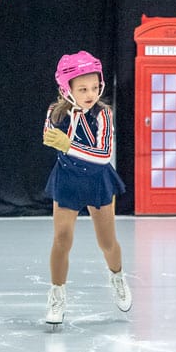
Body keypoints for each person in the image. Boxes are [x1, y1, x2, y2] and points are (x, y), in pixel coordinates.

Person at [42, 51, 132, 326]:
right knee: (62, 238)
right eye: (82, 88)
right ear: (66, 89)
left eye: (94, 87)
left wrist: (68, 145)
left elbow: (103, 155)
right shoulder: (54, 114)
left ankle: (117, 276)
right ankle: (57, 293)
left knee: (107, 242)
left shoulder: (104, 114)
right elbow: (48, 137)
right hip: (68, 180)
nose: (90, 93)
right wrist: (62, 142)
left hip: (98, 180)